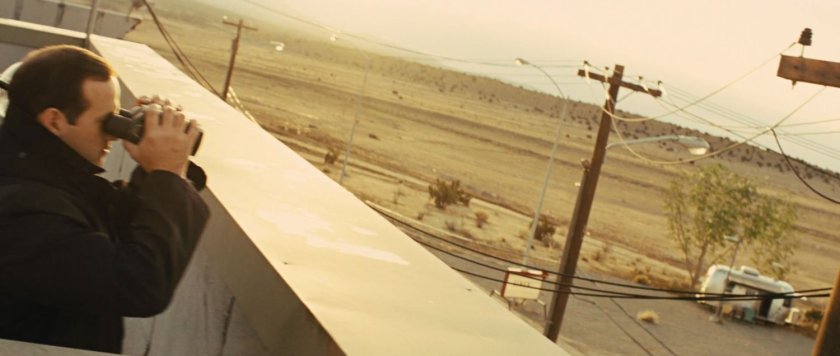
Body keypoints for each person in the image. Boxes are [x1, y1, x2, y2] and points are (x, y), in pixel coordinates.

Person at [0, 45, 209, 353]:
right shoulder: (21, 211)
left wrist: (158, 170)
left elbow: (119, 230)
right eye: (106, 121)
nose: (113, 135)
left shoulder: (41, 172)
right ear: (55, 121)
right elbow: (138, 283)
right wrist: (167, 173)